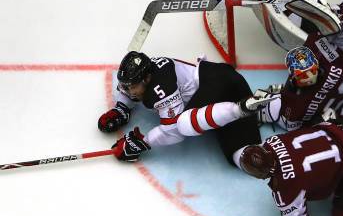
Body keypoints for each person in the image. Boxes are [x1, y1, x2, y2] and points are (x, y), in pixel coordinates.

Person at [98, 51, 275, 166]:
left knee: (244, 159)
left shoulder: (161, 88)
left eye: (130, 87)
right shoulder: (144, 74)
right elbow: (126, 90)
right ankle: (258, 110)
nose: (127, 91)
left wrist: (143, 142)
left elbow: (174, 131)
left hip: (226, 88)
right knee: (239, 156)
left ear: (146, 79)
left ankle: (247, 109)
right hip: (214, 83)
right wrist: (121, 108)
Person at [258, 0, 343, 131]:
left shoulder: (317, 48)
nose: (302, 77)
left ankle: (328, 10)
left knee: (338, 35)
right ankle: (331, 11)